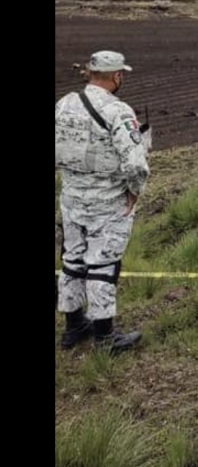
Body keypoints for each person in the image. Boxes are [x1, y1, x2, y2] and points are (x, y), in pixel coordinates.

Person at [55, 51, 149, 353]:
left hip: (71, 197)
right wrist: (135, 191)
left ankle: (73, 326)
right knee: (103, 264)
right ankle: (105, 336)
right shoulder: (118, 111)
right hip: (108, 201)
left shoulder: (64, 104)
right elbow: (135, 164)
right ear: (116, 76)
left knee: (72, 260)